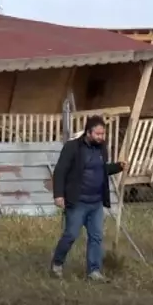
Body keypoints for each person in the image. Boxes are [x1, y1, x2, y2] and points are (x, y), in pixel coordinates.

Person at [49, 116, 126, 281]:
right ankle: (57, 264)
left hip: (96, 202)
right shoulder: (73, 147)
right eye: (98, 134)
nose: (101, 137)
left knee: (96, 237)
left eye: (103, 134)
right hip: (77, 201)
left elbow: (100, 169)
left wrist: (118, 167)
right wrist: (59, 195)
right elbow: (60, 170)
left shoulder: (101, 148)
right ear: (88, 132)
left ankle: (94, 271)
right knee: (70, 235)